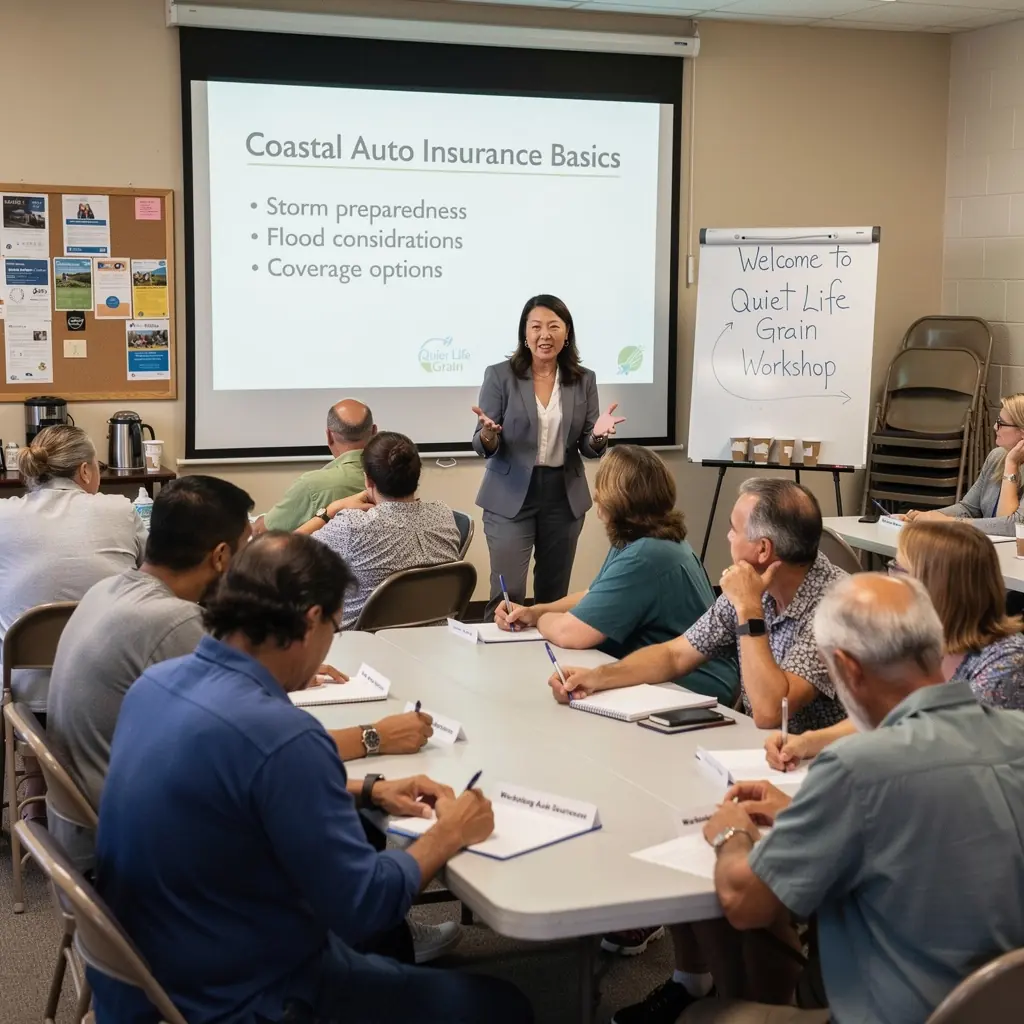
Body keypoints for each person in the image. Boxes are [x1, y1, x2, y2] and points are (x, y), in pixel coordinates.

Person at [90, 533, 532, 1024]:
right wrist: (450, 832)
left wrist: (368, 788)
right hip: (239, 996)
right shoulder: (284, 737)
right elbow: (366, 905)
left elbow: (225, 792)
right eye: (336, 626)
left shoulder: (155, 685)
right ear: (311, 621)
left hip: (145, 974)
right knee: (505, 1005)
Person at [679, 573, 1024, 1024]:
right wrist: (799, 812)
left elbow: (746, 903)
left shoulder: (859, 768)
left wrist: (732, 833)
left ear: (849, 668)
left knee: (702, 1017)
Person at [549, 479, 847, 733]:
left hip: (821, 769)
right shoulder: (751, 582)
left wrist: (748, 609)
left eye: (734, 529)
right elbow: (675, 655)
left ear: (763, 549)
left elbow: (770, 711)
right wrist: (598, 678)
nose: (728, 537)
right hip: (767, 753)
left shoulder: (835, 606)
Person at [765, 518, 1024, 771]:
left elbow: (937, 746)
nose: (887, 577)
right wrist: (809, 741)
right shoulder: (923, 642)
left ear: (936, 587)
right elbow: (891, 716)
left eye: (897, 569)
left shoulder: (1005, 666)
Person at [497, 445, 738, 705]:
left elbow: (571, 634)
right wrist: (536, 610)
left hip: (691, 687)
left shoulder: (646, 554)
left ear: (614, 497)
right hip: (676, 677)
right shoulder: (643, 540)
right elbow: (596, 595)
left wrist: (541, 621)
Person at [471, 294, 625, 619]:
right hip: (510, 496)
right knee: (507, 596)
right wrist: (489, 434)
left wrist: (597, 436)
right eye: (536, 326)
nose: (545, 335)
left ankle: (547, 665)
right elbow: (483, 442)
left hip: (563, 497)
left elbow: (587, 444)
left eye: (554, 326)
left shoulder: (584, 380)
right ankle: (498, 666)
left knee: (553, 598)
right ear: (524, 334)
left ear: (566, 333)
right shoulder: (500, 376)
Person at [0, 425, 146, 714]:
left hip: (22, 696)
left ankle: (31, 757)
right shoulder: (120, 510)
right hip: (111, 687)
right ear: (85, 471)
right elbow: (149, 573)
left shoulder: (4, 515)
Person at [300, 431, 461, 629]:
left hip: (364, 647)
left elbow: (283, 554)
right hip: (433, 644)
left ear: (368, 481)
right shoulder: (443, 514)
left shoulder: (353, 526)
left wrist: (332, 509)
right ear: (416, 476)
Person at [901, 393, 1024, 535]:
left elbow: (1012, 527)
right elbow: (968, 509)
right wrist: (922, 517)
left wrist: (948, 522)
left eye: (1001, 423)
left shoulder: (1008, 460)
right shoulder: (996, 457)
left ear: (1022, 432)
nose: (995, 427)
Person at [253, 399, 376, 534]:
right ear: (374, 432)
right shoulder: (395, 478)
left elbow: (263, 532)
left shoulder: (311, 486)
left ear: (329, 436)